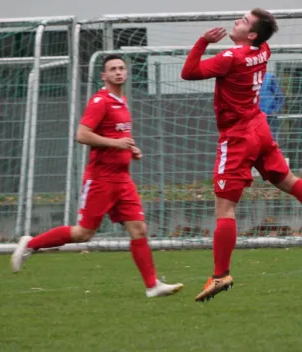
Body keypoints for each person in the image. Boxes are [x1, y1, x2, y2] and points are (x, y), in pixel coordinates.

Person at [181, 8, 302, 302]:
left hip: (237, 137)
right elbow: (257, 41)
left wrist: (203, 42)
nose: (237, 21)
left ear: (251, 34)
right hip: (260, 128)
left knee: (225, 209)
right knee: (288, 180)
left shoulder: (231, 58)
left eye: (244, 21)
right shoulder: (264, 50)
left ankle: (220, 275)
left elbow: (188, 73)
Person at [11, 55, 184, 298]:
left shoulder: (122, 101)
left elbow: (118, 138)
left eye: (122, 68)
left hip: (123, 180)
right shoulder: (100, 101)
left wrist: (131, 149)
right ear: (104, 76)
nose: (118, 72)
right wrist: (116, 143)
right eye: (112, 69)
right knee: (83, 233)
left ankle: (152, 285)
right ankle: (30, 244)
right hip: (101, 179)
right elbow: (82, 135)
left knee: (139, 229)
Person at [258, 72, 285, 142]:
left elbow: (280, 96)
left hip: (267, 114)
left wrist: (275, 109)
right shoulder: (269, 77)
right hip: (257, 115)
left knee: (269, 139)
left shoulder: (269, 77)